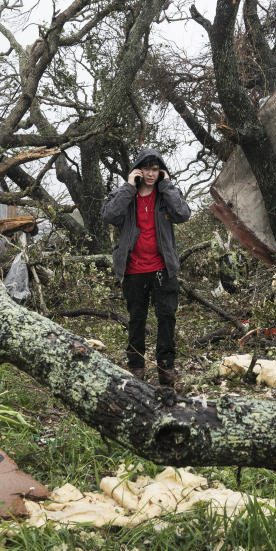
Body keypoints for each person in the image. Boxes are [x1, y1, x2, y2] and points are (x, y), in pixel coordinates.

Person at [101, 149, 191, 386]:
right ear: (138, 170)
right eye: (146, 169)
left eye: (155, 169)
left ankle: (166, 368)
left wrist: (168, 185)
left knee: (167, 317)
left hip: (163, 268)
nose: (150, 174)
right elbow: (108, 215)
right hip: (133, 269)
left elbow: (183, 214)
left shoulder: (165, 195)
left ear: (160, 171)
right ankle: (136, 366)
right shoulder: (125, 195)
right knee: (137, 318)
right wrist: (129, 187)